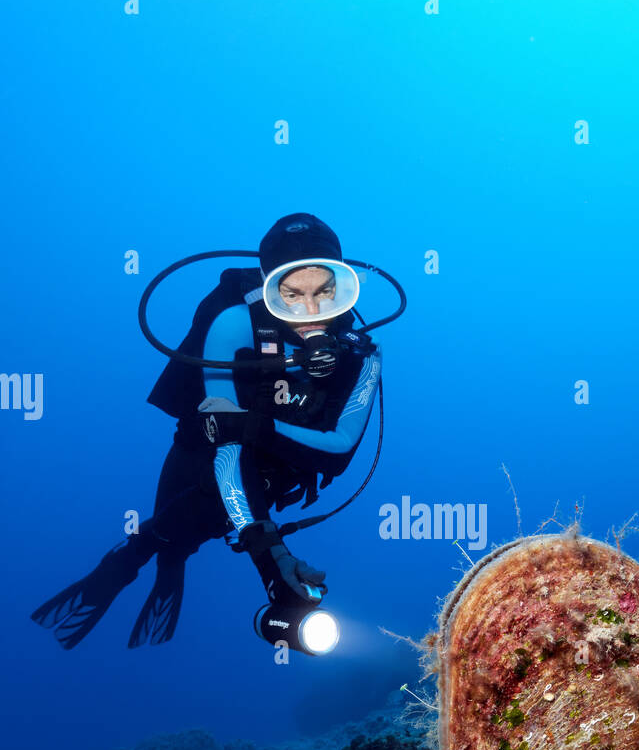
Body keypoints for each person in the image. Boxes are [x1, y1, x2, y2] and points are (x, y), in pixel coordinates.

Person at [31, 213, 382, 649]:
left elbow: (338, 453)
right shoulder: (234, 324)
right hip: (200, 461)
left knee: (181, 541)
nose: (311, 312)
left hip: (273, 478)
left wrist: (254, 429)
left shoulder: (362, 357)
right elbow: (227, 451)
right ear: (270, 288)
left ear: (342, 288)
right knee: (173, 534)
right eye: (291, 295)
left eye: (325, 292)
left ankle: (156, 556)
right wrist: (272, 560)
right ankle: (134, 559)